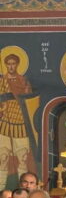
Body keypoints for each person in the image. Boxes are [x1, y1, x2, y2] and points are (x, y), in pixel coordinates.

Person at [0, 53, 36, 188]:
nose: (11, 66)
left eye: (13, 63)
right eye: (8, 64)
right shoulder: (1, 81)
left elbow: (30, 99)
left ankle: (24, 190)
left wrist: (25, 93)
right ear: (5, 65)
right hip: (5, 122)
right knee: (3, 158)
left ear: (17, 65)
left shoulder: (23, 81)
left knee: (23, 158)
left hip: (21, 121)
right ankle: (1, 191)